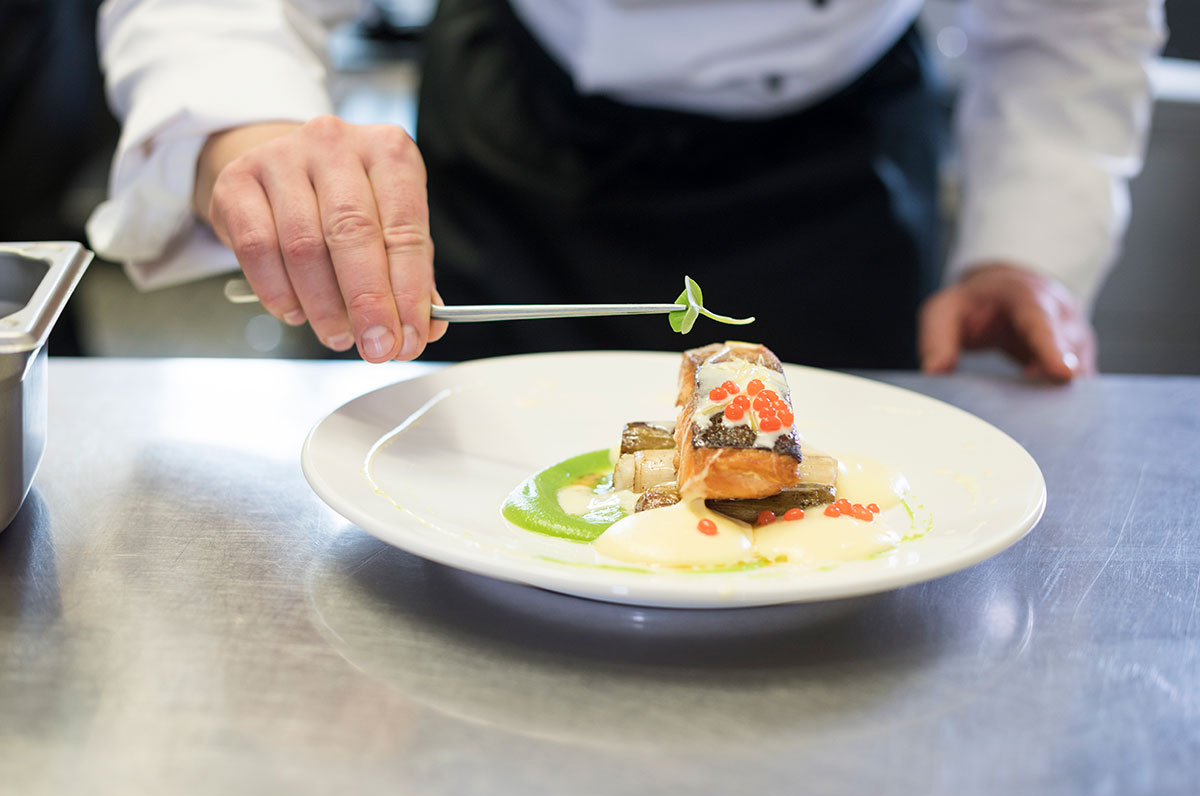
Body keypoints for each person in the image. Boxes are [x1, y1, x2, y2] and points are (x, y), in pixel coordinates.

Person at [86, 0, 1165, 379]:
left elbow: (1070, 20)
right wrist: (248, 128)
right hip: (522, 129)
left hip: (837, 173)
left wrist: (1025, 243)